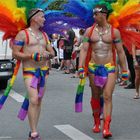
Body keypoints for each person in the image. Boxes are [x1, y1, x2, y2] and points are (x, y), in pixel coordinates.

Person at [78, 4, 128, 138]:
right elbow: (83, 49)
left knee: (107, 96)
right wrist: (81, 66)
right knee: (96, 95)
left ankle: (106, 127)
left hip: (109, 67)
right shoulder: (89, 31)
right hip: (94, 67)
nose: (93, 16)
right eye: (93, 14)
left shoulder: (114, 32)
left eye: (96, 14)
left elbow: (121, 52)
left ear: (104, 14)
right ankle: (96, 122)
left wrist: (125, 70)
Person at [12, 8, 54, 140]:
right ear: (34, 18)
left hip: (44, 72)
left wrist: (49, 54)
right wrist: (32, 56)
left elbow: (52, 52)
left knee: (39, 100)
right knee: (34, 99)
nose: (44, 19)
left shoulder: (45, 35)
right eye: (42, 17)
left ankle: (33, 130)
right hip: (30, 71)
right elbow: (15, 53)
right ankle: (34, 131)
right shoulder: (23, 34)